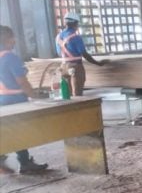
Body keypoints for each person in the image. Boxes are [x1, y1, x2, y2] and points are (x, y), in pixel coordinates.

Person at [0, 25, 48, 173]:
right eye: (12, 37)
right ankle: (25, 162)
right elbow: (22, 81)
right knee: (20, 131)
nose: (15, 40)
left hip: (2, 99)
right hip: (16, 99)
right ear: (8, 39)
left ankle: (2, 159)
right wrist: (35, 97)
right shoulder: (10, 58)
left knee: (6, 130)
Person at [55, 12, 107, 96]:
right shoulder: (76, 37)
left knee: (67, 95)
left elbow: (58, 53)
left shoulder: (58, 37)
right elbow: (84, 54)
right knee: (77, 95)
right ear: (76, 23)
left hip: (63, 67)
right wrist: (99, 63)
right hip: (75, 67)